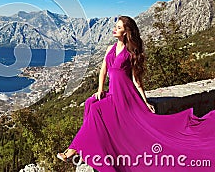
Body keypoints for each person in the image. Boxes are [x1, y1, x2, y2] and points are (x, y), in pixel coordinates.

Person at [57, 16, 215, 171]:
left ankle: (72, 150)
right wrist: (100, 90)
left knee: (97, 110)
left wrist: (145, 101)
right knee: (90, 103)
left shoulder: (130, 52)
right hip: (112, 93)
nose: (114, 29)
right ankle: (85, 146)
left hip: (125, 95)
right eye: (116, 26)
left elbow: (136, 79)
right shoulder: (109, 49)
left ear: (126, 32)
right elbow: (103, 71)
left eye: (118, 28)